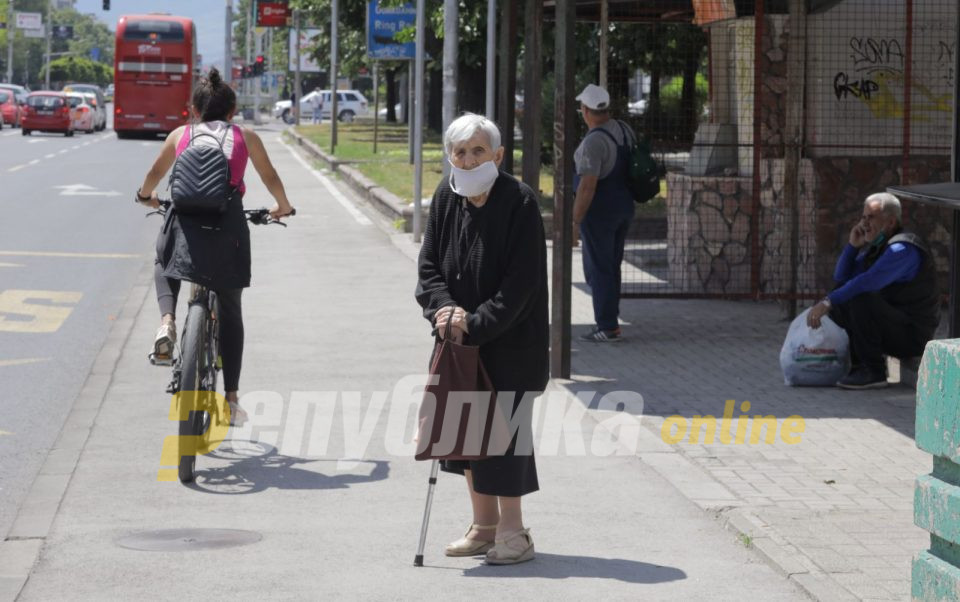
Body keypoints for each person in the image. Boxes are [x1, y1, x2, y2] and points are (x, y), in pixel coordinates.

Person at [416, 113, 548, 565]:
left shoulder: (520, 202)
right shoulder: (445, 197)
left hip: (510, 341)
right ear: (449, 156)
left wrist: (476, 321)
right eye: (459, 151)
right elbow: (429, 267)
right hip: (457, 337)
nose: (468, 160)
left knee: (505, 438)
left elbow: (521, 283)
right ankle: (484, 526)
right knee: (465, 434)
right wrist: (444, 310)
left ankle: (515, 533)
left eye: (477, 150)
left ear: (497, 155)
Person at [135, 67, 295, 423]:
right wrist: (282, 206)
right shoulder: (245, 136)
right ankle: (232, 399)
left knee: (164, 259)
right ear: (232, 111)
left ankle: (166, 321)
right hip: (229, 224)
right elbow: (270, 176)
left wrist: (146, 197)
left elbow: (153, 175)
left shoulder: (181, 134)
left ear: (193, 109)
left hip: (185, 219)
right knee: (230, 307)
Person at [807, 192, 939, 389]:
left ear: (891, 222)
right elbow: (842, 278)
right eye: (863, 217)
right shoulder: (879, 247)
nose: (865, 223)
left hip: (912, 334)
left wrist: (827, 302)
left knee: (860, 296)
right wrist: (852, 246)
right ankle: (859, 364)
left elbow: (869, 282)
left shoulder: (903, 249)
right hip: (893, 324)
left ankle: (874, 371)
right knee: (844, 295)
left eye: (871, 218)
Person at [573, 83, 637, 342]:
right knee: (611, 266)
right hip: (624, 208)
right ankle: (611, 319)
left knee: (598, 269)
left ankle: (607, 326)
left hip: (600, 213)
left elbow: (587, 187)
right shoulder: (624, 130)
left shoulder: (593, 142)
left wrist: (574, 220)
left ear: (585, 110)